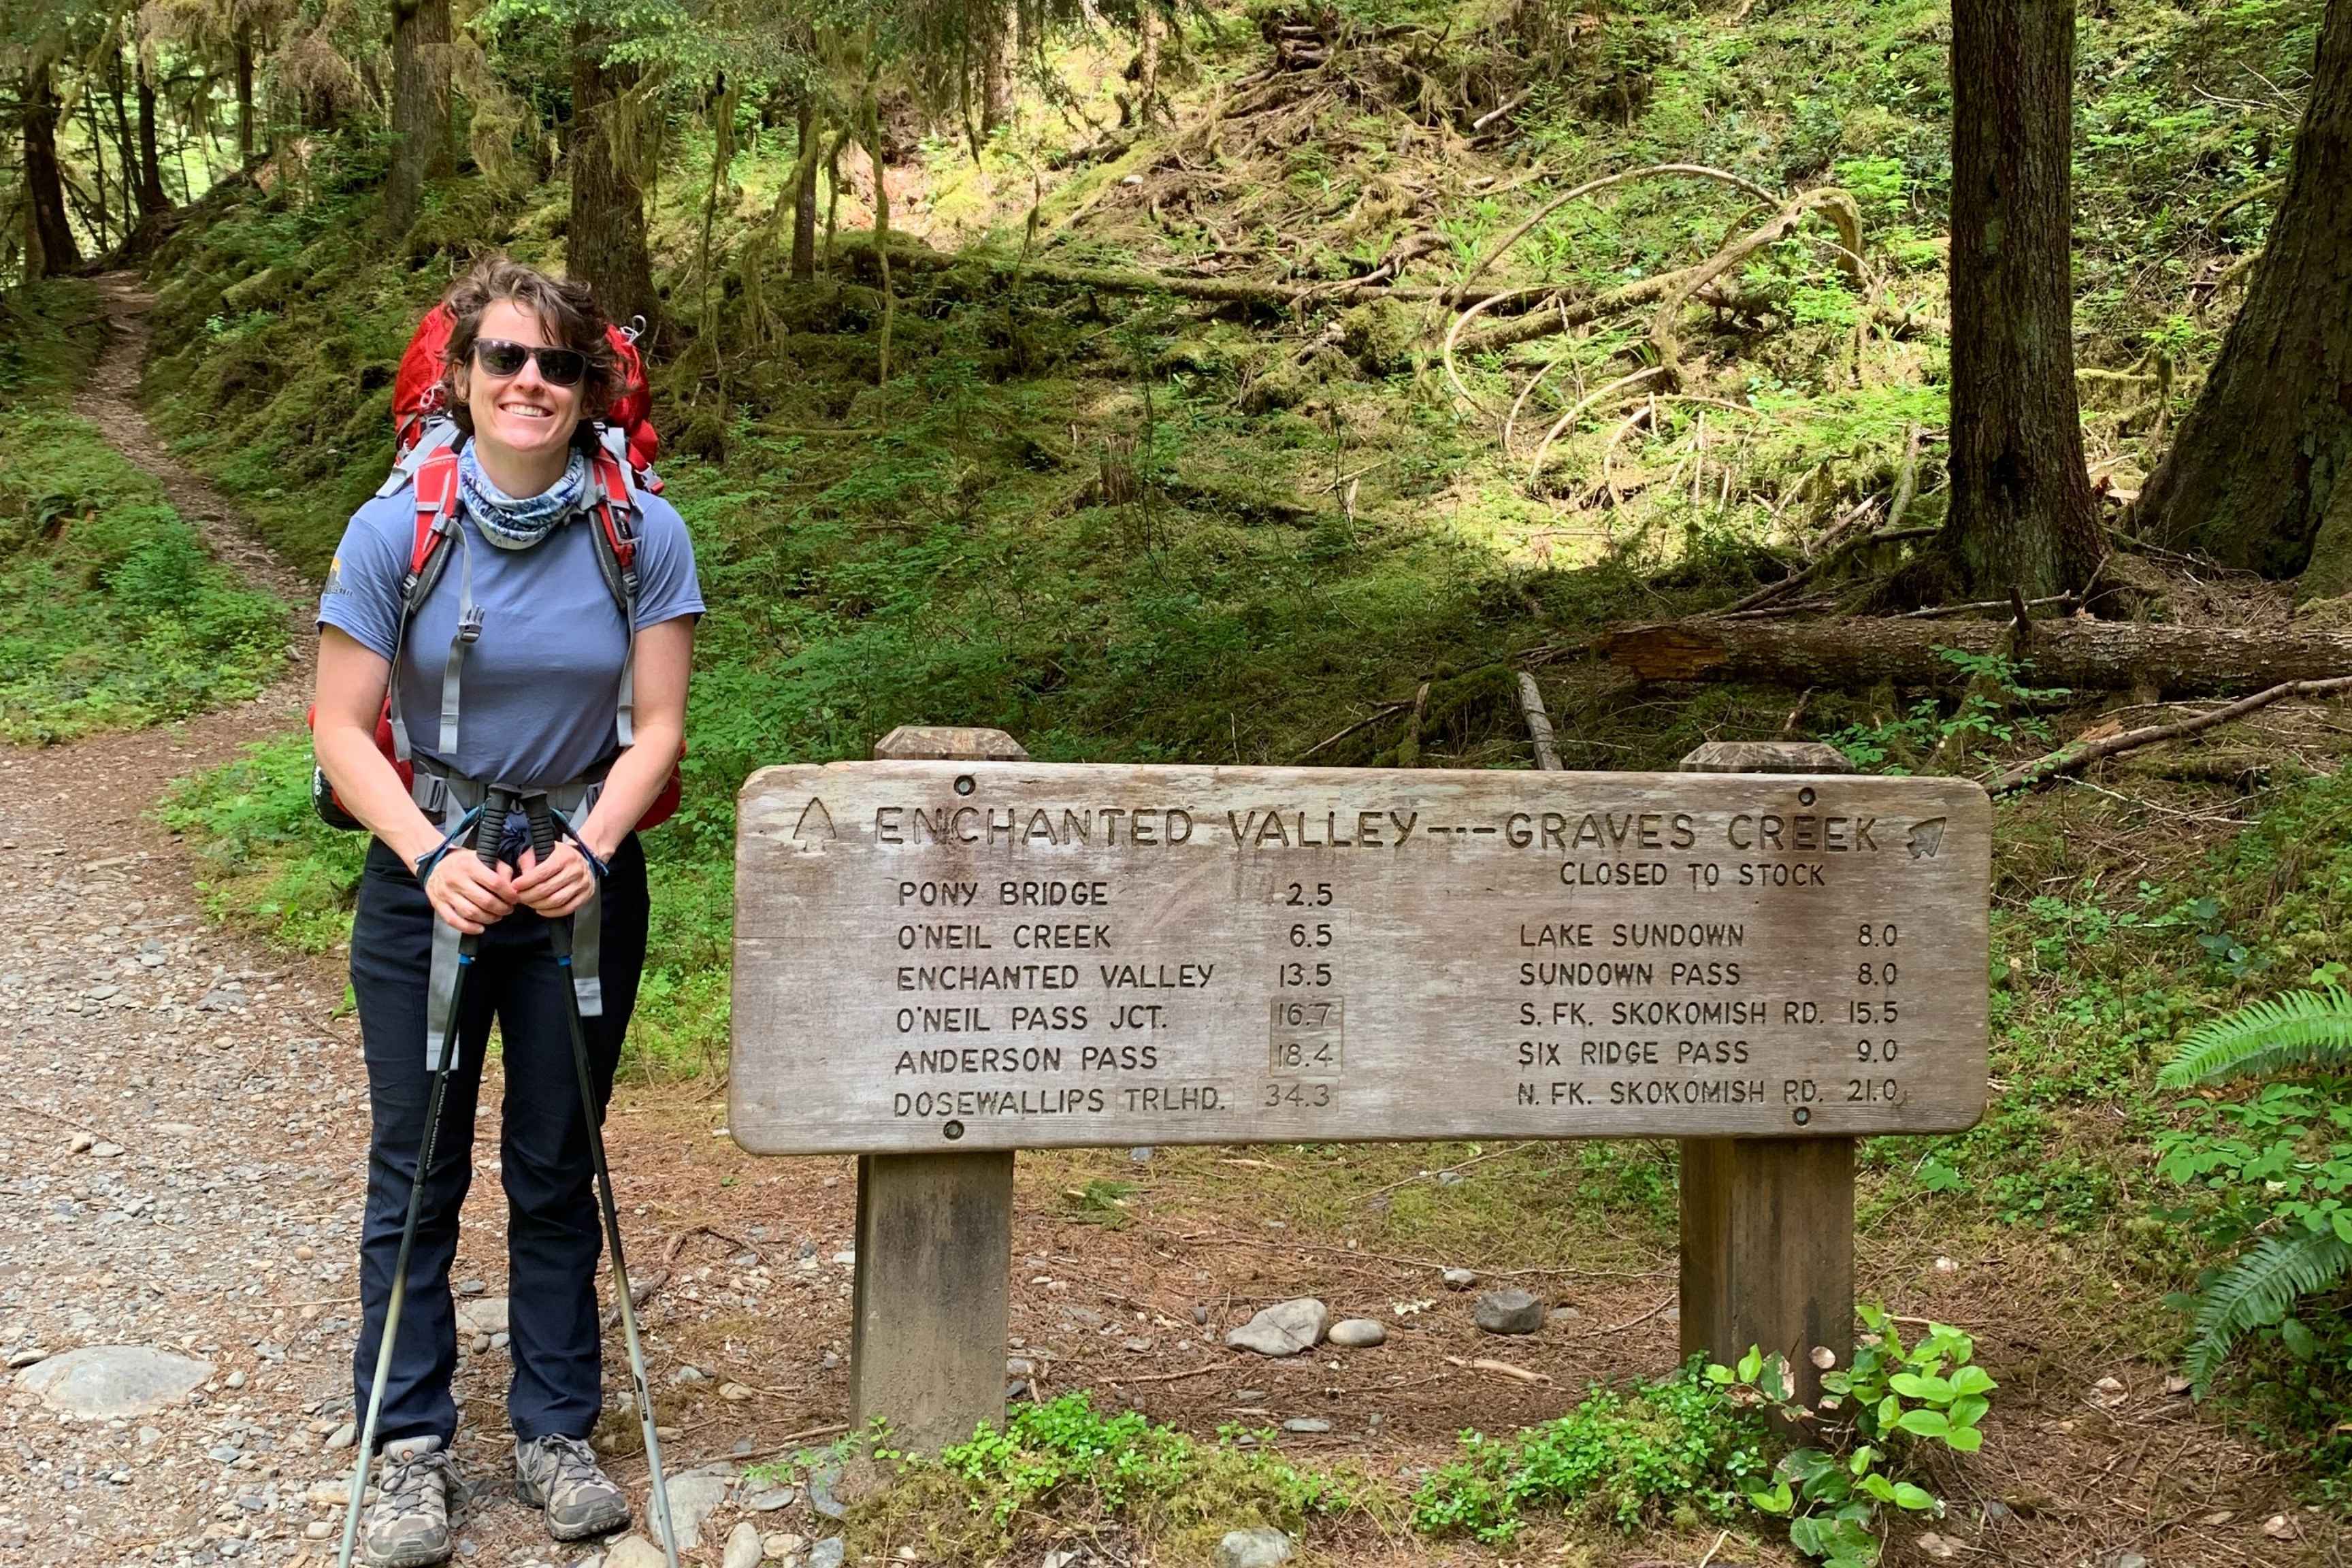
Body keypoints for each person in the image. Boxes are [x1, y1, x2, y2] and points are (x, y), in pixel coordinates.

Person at [312, 256, 702, 1568]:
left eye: (557, 364)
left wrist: (592, 846)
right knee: (415, 1162)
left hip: (579, 878)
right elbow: (339, 730)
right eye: (504, 360)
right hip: (429, 875)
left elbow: (656, 730)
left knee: (556, 1156)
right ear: (461, 377)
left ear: (593, 387)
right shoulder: (397, 524)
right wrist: (430, 857)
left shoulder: (642, 530)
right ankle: (411, 1441)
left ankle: (553, 1429)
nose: (529, 382)